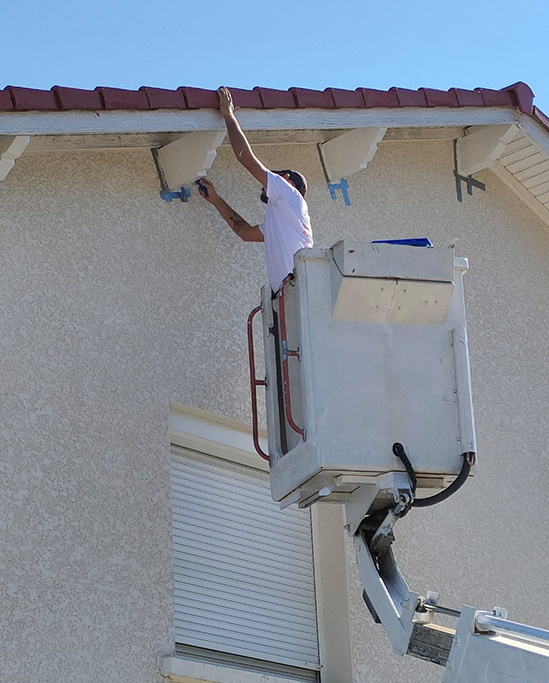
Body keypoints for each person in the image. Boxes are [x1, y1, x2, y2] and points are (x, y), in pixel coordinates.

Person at [198, 86, 313, 293]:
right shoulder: (283, 219)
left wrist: (228, 115)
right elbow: (244, 232)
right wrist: (216, 200)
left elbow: (245, 158)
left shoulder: (290, 195)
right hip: (292, 296)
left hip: (297, 294)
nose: (265, 183)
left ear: (287, 180)